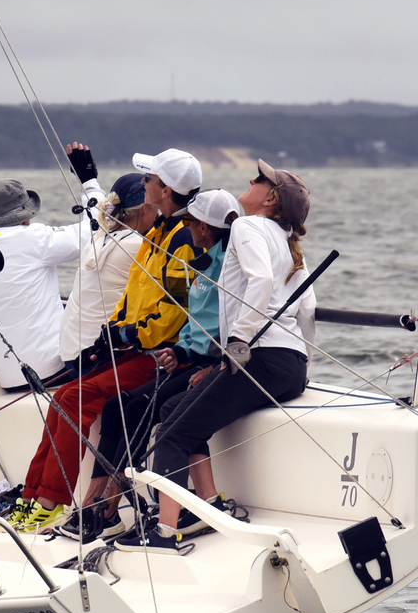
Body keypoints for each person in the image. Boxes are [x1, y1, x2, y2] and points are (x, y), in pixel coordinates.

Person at [116, 160, 315, 554]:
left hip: (257, 357)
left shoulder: (247, 225)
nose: (250, 180)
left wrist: (239, 339)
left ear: (270, 198)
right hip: (289, 364)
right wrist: (303, 361)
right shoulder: (285, 239)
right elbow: (306, 309)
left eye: (258, 180)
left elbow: (260, 282)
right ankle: (209, 505)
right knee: (177, 406)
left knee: (172, 429)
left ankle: (165, 531)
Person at [5, 148, 203, 533]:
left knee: (76, 398)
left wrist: (131, 333)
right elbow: (133, 295)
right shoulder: (154, 235)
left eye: (149, 178)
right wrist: (111, 331)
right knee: (63, 397)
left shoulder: (175, 238)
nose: (143, 183)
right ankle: (32, 497)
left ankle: (51, 502)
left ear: (163, 189)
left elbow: (178, 306)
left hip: (159, 355)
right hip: (129, 348)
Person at [57, 188, 242, 543]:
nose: (187, 227)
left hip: (206, 360)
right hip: (188, 356)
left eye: (192, 223)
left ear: (203, 227)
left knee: (142, 410)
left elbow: (219, 321)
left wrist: (182, 352)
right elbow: (190, 317)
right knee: (115, 409)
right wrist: (174, 350)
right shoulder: (184, 247)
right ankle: (101, 505)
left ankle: (110, 508)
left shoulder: (218, 262)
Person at [0, 175, 99, 389]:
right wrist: (89, 183)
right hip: (50, 372)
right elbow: (94, 229)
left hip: (5, 377)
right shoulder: (35, 238)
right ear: (26, 215)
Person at [55, 158, 148, 377]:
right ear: (145, 209)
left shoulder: (100, 236)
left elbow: (97, 208)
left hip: (71, 357)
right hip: (100, 359)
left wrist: (89, 181)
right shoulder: (137, 246)